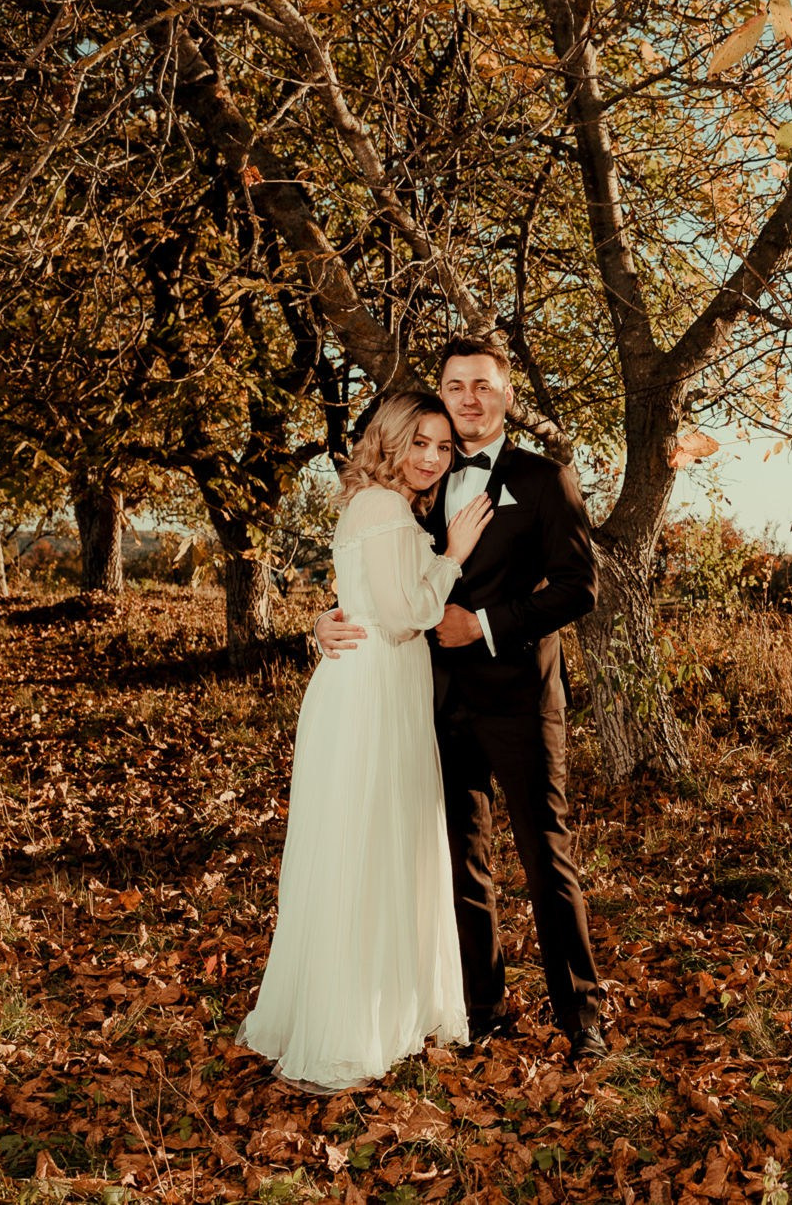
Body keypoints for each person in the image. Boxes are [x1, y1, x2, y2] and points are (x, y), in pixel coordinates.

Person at [316, 339, 607, 1063]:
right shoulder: (415, 484)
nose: (469, 398)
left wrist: (481, 625)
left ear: (506, 395)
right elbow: (383, 576)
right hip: (430, 703)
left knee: (546, 856)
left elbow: (579, 587)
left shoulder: (544, 478)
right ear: (440, 396)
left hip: (518, 696)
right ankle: (482, 1008)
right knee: (458, 861)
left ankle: (583, 1016)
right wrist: (323, 621)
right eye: (455, 386)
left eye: (483, 385)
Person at [238, 391, 494, 1092]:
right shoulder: (383, 509)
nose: (433, 458)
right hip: (375, 691)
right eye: (420, 443)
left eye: (443, 447)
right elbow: (410, 613)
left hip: (372, 687)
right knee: (371, 846)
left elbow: (368, 597)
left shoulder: (376, 508)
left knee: (364, 846)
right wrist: (455, 555)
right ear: (389, 440)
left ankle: (367, 1012)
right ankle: (353, 1025)